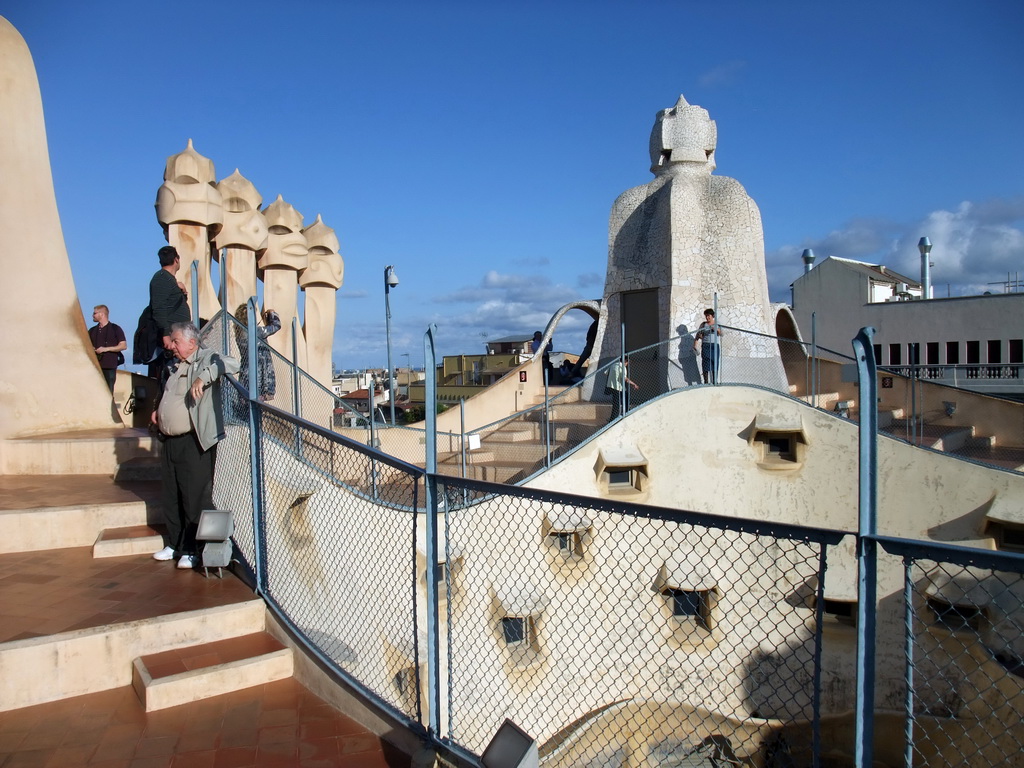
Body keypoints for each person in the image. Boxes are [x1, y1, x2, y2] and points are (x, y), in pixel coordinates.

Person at [151, 322, 239, 570]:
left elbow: (232, 363)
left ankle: (192, 550)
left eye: (177, 341)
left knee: (193, 497)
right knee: (171, 495)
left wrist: (203, 376)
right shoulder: (174, 365)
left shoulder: (205, 358)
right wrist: (158, 411)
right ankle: (175, 545)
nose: (173, 346)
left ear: (192, 342)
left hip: (193, 441)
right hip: (169, 440)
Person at [148, 245, 191, 381]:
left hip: (177, 336)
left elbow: (172, 304)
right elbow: (159, 309)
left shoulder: (168, 280)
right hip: (171, 339)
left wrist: (182, 293)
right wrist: (166, 335)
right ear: (176, 260)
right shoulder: (161, 279)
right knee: (169, 379)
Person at [232, 304, 281, 415]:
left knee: (247, 409)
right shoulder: (256, 332)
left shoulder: (240, 334)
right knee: (255, 412)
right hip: (259, 378)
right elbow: (276, 326)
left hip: (246, 376)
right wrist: (272, 314)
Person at [87, 304, 126, 392]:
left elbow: (123, 346)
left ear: (102, 314)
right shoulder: (92, 330)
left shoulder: (115, 328)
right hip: (95, 367)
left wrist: (105, 349)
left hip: (109, 366)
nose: (92, 315)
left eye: (95, 313)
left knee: (108, 392)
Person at [693, 308, 722, 384]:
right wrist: (695, 346)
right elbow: (697, 336)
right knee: (705, 362)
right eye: (706, 316)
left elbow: (721, 333)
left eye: (708, 315)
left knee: (715, 362)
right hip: (706, 345)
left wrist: (716, 329)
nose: (707, 317)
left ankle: (715, 381)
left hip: (715, 346)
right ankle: (706, 381)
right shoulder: (703, 325)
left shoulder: (717, 323)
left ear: (712, 316)